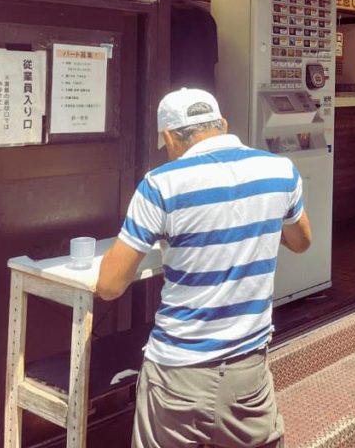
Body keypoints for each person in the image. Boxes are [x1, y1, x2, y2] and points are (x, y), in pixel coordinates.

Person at [96, 87, 312, 448]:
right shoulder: (280, 171)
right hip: (249, 375)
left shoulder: (160, 184)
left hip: (177, 377)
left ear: (169, 137)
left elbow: (109, 285)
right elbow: (302, 242)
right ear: (222, 124)